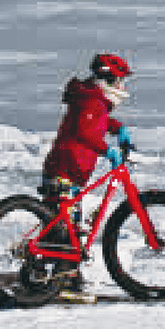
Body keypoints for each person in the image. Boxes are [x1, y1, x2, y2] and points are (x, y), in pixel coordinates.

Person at [36, 52, 134, 296]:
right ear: (108, 79)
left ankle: (54, 275)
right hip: (65, 169)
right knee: (65, 226)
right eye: (120, 81)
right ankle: (60, 280)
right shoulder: (92, 100)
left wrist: (118, 127)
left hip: (71, 169)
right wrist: (107, 150)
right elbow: (83, 131)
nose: (122, 87)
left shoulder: (94, 101)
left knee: (67, 224)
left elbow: (96, 121)